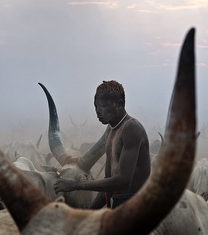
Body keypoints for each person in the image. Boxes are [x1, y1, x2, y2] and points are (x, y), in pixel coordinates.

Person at [54, 80, 151, 209]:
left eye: (103, 106)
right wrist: (88, 214)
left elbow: (123, 180)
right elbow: (108, 182)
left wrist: (76, 185)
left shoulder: (131, 128)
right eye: (96, 106)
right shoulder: (110, 131)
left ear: (119, 104)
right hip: (119, 205)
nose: (98, 111)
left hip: (137, 205)